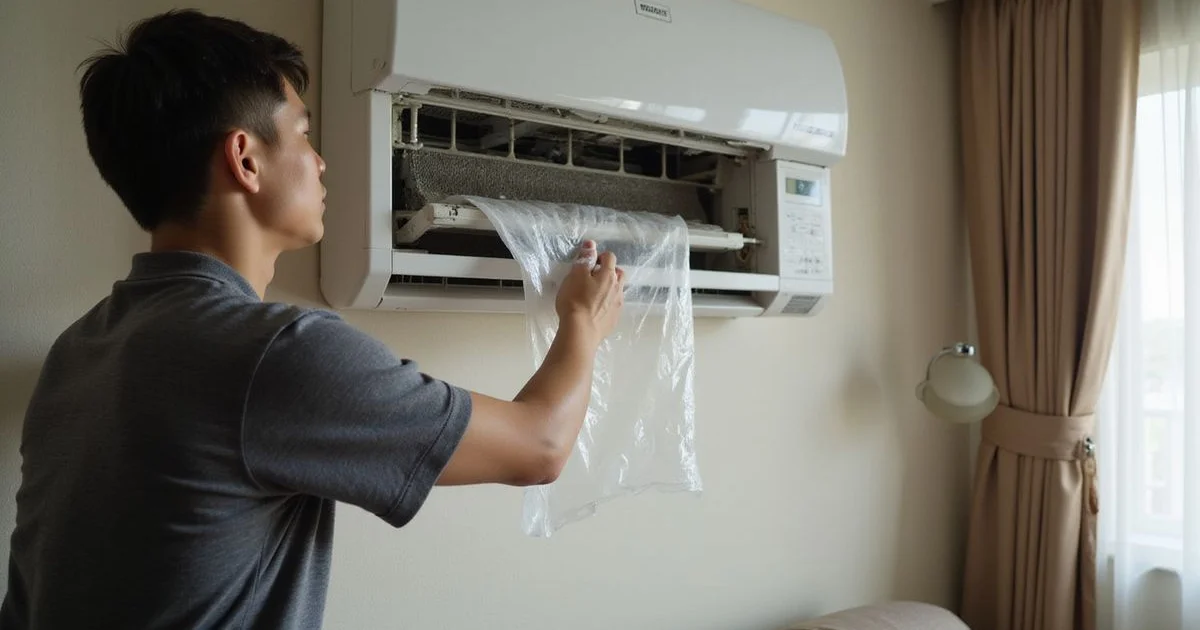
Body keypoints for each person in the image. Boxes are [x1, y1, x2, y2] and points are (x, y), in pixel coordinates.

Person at [0, 9, 625, 630]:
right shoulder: (272, 353)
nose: (321, 162)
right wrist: (582, 323)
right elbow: (538, 447)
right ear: (245, 159)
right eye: (302, 134)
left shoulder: (79, 349)